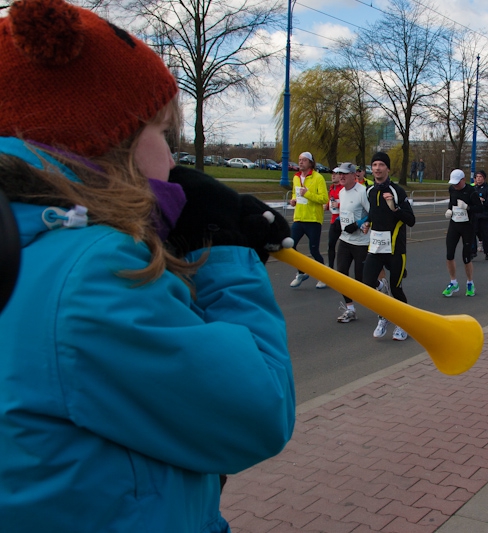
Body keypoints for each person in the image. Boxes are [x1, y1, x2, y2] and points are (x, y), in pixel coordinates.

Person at [0, 1, 295, 531]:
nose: (174, 162)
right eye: (163, 135)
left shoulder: (27, 245)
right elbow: (258, 411)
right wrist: (222, 249)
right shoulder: (90, 275)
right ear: (111, 143)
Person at [362, 152, 416, 340]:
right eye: (374, 164)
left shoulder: (397, 191)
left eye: (381, 165)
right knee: (367, 284)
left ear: (388, 169)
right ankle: (383, 316)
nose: (377, 168)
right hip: (376, 248)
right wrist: (367, 222)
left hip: (395, 250)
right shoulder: (369, 191)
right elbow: (374, 213)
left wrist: (395, 208)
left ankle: (403, 324)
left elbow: (411, 220)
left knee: (396, 289)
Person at [333, 163, 370, 323]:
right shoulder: (341, 192)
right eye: (339, 174)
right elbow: (346, 212)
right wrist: (341, 221)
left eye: (345, 174)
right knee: (341, 274)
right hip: (345, 240)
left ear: (354, 175)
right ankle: (350, 309)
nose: (341, 177)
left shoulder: (362, 192)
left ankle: (383, 291)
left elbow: (373, 213)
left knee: (362, 280)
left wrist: (358, 223)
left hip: (361, 242)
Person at [289, 151, 329, 288]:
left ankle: (323, 276)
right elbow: (295, 193)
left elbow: (324, 199)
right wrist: (293, 200)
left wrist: (308, 194)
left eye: (304, 160)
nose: (301, 162)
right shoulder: (296, 177)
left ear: (311, 163)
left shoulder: (318, 178)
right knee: (290, 246)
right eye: (299, 160)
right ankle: (301, 272)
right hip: (299, 218)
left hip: (313, 219)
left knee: (314, 251)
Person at [442, 169, 482, 297]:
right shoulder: (452, 189)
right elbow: (451, 201)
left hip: (467, 226)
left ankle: (470, 283)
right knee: (449, 254)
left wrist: (467, 207)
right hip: (454, 224)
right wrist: (449, 210)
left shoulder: (472, 192)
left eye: (457, 183)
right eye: (453, 183)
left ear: (463, 180)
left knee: (466, 256)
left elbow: (480, 208)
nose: (455, 186)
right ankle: (453, 282)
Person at [472, 169, 488, 260]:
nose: (478, 179)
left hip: (484, 216)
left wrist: (483, 201)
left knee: (485, 235)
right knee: (472, 234)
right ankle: (472, 252)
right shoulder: (473, 189)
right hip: (474, 216)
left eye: (480, 177)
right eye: (477, 177)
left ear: (484, 178)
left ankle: (487, 252)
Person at [326, 170, 344, 270]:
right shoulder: (331, 189)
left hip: (343, 221)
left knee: (346, 247)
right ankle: (330, 267)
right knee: (331, 244)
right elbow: (331, 204)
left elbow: (349, 205)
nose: (333, 176)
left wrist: (339, 205)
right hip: (334, 221)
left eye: (336, 174)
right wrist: (327, 206)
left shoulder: (343, 189)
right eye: (332, 174)